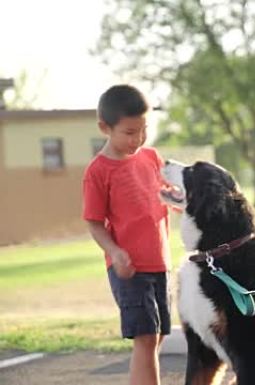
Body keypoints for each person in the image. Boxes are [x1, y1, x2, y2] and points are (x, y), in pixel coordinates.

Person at [82, 84, 171, 385]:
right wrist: (115, 252)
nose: (139, 138)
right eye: (130, 132)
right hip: (128, 268)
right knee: (146, 338)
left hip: (159, 262)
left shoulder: (151, 157)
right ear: (104, 128)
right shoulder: (98, 171)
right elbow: (94, 223)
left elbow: (167, 196)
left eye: (144, 129)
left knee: (154, 339)